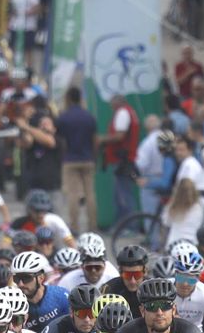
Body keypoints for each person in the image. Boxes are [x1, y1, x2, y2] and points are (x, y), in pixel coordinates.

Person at [55, 86, 98, 234]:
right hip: (87, 158)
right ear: (80, 98)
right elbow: (94, 140)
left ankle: (75, 226)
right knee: (90, 193)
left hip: (70, 159)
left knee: (73, 194)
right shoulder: (89, 117)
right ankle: (93, 226)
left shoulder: (64, 117)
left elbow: (60, 139)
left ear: (68, 98)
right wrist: (94, 157)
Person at [99, 91, 140, 221]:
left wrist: (102, 139)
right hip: (126, 158)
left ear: (117, 103)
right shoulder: (130, 112)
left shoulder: (122, 113)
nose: (111, 107)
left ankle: (128, 225)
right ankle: (124, 224)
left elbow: (119, 136)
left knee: (123, 195)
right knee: (122, 193)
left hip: (122, 159)